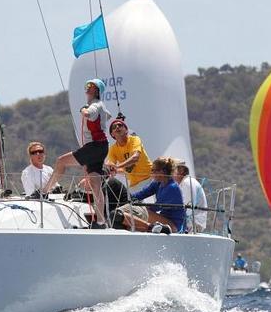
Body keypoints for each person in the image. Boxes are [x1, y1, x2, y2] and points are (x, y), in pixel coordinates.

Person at [42, 78, 110, 228]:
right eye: (87, 85)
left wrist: (82, 110)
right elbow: (107, 115)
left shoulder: (94, 105)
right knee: (95, 183)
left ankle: (44, 192)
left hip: (94, 146)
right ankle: (100, 222)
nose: (87, 88)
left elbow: (88, 114)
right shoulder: (101, 106)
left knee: (61, 161)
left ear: (96, 90)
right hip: (102, 147)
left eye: (91, 86)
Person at [116, 157, 184, 233]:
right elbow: (141, 194)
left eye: (153, 170)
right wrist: (125, 199)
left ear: (162, 172)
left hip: (173, 225)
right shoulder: (158, 183)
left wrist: (136, 207)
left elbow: (156, 207)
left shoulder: (172, 187)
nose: (151, 173)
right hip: (163, 219)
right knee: (137, 211)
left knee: (142, 212)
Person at [104, 117, 153, 194]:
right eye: (114, 127)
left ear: (126, 130)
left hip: (150, 178)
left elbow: (135, 158)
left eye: (120, 125)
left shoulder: (135, 139)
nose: (117, 127)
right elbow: (111, 166)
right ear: (112, 134)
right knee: (134, 205)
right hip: (135, 184)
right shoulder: (113, 149)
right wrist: (111, 168)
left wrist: (117, 166)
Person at [172, 160, 208, 233]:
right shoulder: (186, 182)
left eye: (172, 171)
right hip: (191, 223)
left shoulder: (187, 183)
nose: (170, 174)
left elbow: (187, 207)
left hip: (193, 225)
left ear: (181, 171)